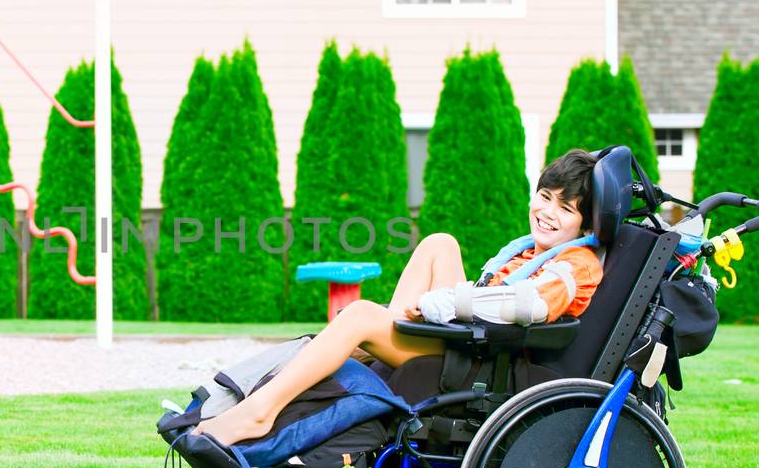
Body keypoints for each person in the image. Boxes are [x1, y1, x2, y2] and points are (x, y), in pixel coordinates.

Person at [193, 149, 603, 448]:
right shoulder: (528, 250)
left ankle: (260, 412)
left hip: (484, 365)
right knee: (440, 243)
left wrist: (452, 303)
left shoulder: (577, 263)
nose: (548, 212)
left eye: (565, 209)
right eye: (545, 198)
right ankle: (372, 340)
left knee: (357, 316)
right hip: (471, 343)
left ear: (584, 222)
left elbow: (532, 304)